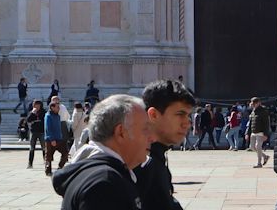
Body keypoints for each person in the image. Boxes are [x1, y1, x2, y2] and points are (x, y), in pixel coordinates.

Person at [52, 95, 148, 210]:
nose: (151, 138)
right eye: (145, 130)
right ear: (121, 132)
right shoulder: (105, 186)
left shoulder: (104, 175)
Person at [135, 79, 194, 210]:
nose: (187, 123)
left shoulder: (155, 156)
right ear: (153, 115)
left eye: (188, 115)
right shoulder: (140, 162)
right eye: (180, 114)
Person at [44, 97, 70, 176]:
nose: (59, 109)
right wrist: (52, 139)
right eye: (57, 107)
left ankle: (60, 167)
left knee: (65, 153)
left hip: (59, 139)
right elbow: (48, 128)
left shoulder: (58, 116)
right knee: (48, 156)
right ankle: (48, 171)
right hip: (50, 140)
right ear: (52, 107)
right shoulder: (48, 116)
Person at [247, 97, 271, 168]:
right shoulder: (253, 111)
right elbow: (250, 123)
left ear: (258, 103)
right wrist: (247, 133)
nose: (252, 105)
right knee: (252, 147)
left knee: (258, 147)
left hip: (260, 132)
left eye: (254, 103)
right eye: (252, 104)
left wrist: (266, 134)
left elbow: (266, 123)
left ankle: (259, 163)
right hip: (253, 132)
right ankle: (265, 156)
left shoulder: (263, 111)